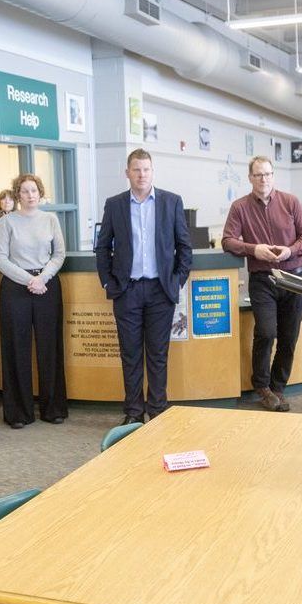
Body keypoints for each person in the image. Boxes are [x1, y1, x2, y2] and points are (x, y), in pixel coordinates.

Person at [94, 149, 192, 425]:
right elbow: (102, 248)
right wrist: (108, 282)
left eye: (146, 169)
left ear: (152, 171)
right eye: (136, 169)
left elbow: (185, 247)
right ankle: (134, 414)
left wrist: (176, 280)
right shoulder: (114, 205)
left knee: (158, 354)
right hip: (127, 291)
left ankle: (158, 411)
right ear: (128, 172)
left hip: (161, 291)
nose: (141, 174)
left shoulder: (171, 202)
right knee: (131, 355)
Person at [222, 155, 302, 412]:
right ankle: (262, 386)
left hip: (294, 278)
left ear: (274, 176)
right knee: (266, 332)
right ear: (250, 178)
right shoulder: (240, 207)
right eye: (258, 175)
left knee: (288, 337)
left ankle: (278, 388)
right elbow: (228, 240)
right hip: (263, 279)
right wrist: (254, 249)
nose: (264, 179)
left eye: (268, 174)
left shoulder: (290, 202)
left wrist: (290, 251)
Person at [0, 174, 67, 428]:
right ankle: (19, 413)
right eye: (24, 191)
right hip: (16, 288)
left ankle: (53, 408)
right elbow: (0, 258)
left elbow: (59, 254)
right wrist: (28, 280)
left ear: (40, 192)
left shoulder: (50, 219)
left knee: (50, 346)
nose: (30, 195)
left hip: (46, 285)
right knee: (16, 348)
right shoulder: (7, 222)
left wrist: (42, 278)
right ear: (17, 195)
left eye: (34, 190)